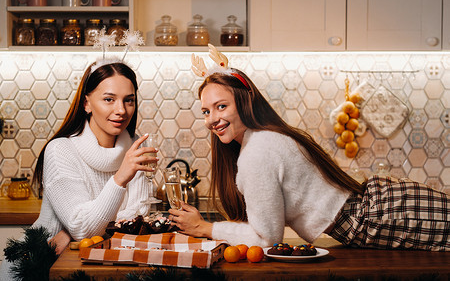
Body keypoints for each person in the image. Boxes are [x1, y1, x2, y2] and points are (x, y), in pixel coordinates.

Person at [169, 46, 449, 251]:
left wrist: (205, 228)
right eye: (206, 111)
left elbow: (267, 240)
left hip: (381, 216)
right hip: (380, 208)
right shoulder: (263, 139)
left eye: (221, 106)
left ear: (245, 101)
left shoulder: (258, 151)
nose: (212, 119)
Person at [0, 61, 158, 279]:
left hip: (104, 269)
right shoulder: (61, 150)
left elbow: (136, 221)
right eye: (109, 99)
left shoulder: (135, 149)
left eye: (129, 101)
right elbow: (83, 228)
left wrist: (74, 232)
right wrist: (120, 178)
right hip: (42, 267)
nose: (121, 110)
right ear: (87, 104)